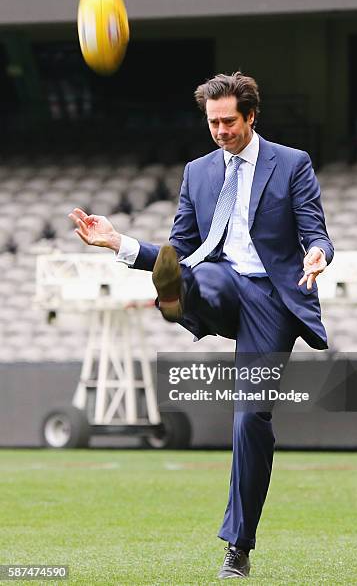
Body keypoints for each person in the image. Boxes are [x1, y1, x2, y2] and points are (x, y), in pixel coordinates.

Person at [69, 72, 333, 580]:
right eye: (212, 122)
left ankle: (239, 545)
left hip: (272, 299)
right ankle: (177, 298)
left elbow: (314, 229)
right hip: (217, 280)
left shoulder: (292, 163)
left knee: (251, 418)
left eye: (229, 121)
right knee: (194, 273)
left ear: (251, 116)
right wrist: (119, 243)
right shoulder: (198, 173)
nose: (220, 131)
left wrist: (318, 254)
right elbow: (179, 249)